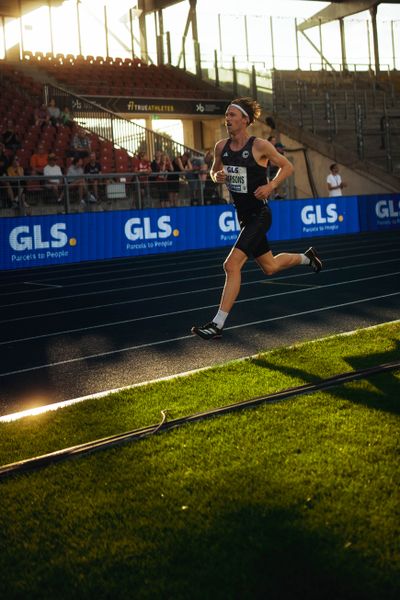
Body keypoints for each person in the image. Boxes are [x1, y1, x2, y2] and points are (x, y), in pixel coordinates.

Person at [191, 97, 322, 341]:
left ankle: (217, 324)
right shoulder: (221, 147)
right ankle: (307, 258)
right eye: (226, 115)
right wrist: (215, 176)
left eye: (232, 115)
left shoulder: (259, 146)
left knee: (231, 265)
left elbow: (287, 166)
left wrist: (271, 185)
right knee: (270, 267)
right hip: (243, 216)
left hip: (260, 215)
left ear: (245, 120)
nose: (227, 119)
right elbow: (212, 171)